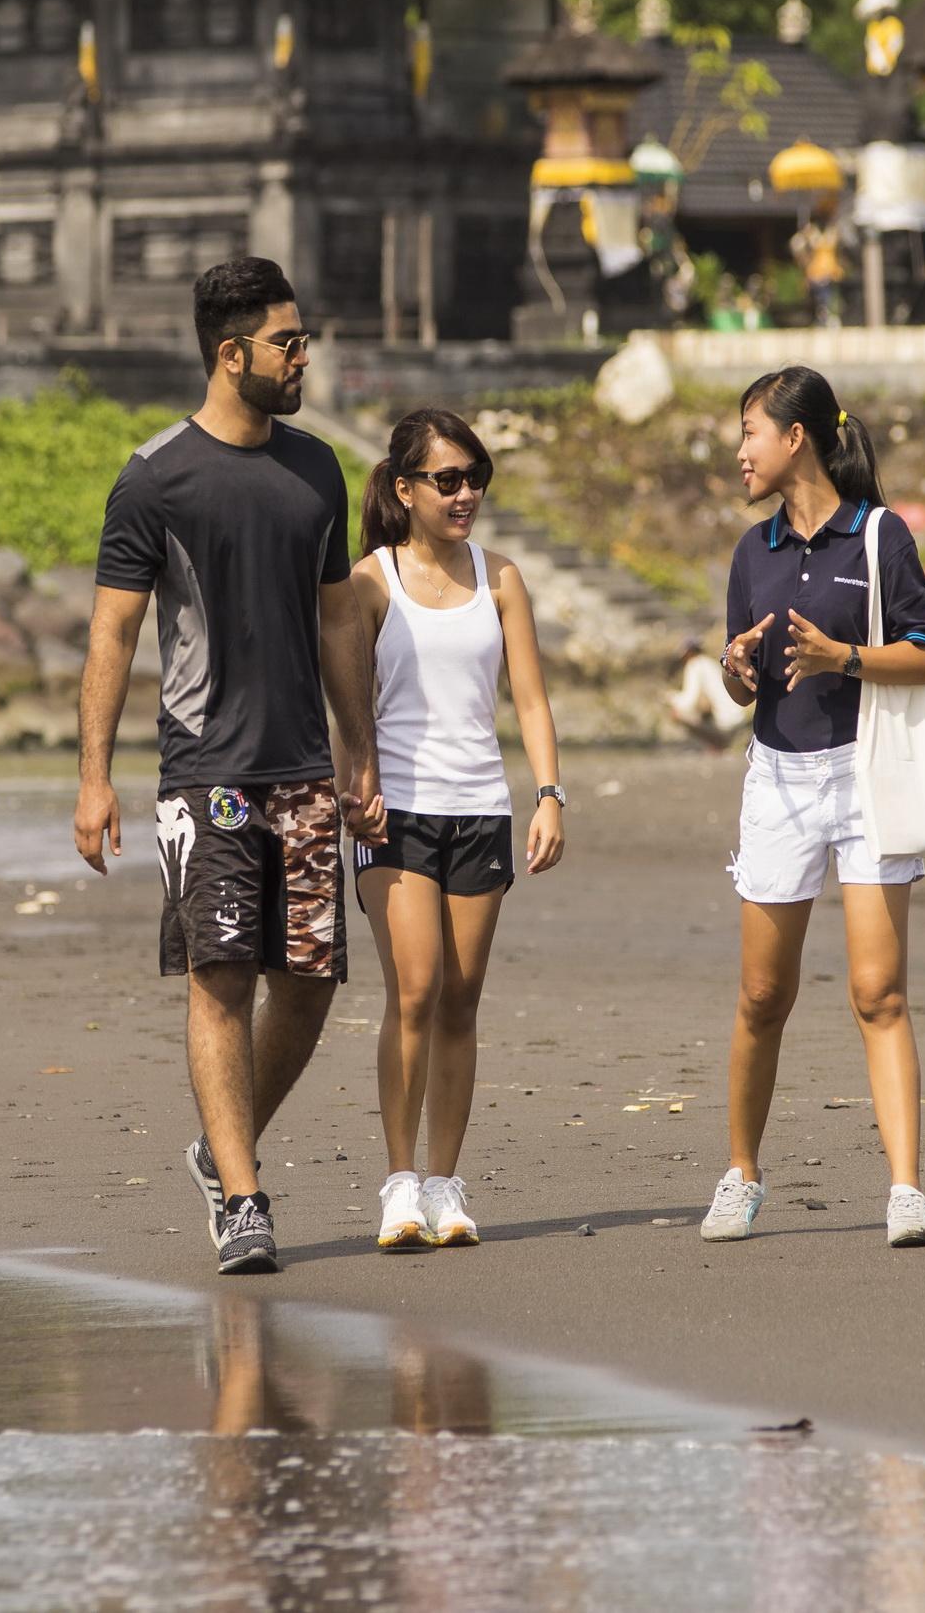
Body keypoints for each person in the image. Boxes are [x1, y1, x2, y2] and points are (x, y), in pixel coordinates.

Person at [74, 257, 384, 1276]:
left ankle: (221, 1147)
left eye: (303, 339)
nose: (302, 358)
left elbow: (339, 617)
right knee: (219, 979)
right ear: (230, 353)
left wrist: (359, 754)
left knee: (308, 983)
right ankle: (245, 1200)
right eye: (286, 343)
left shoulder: (314, 472)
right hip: (203, 773)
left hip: (302, 769)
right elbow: (113, 633)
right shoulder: (155, 476)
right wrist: (92, 777)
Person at [703, 363, 925, 1250]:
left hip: (865, 775)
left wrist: (845, 657)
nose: (739, 453)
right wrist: (735, 674)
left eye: (749, 434)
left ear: (795, 437)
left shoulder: (878, 538)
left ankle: (907, 1192)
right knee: (762, 996)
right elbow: (742, 685)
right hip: (776, 777)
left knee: (878, 992)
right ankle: (741, 1174)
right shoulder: (749, 553)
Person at [349, 409, 567, 1251]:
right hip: (393, 810)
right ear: (405, 491)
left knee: (461, 999)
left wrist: (549, 794)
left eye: (476, 477)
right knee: (415, 987)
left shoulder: (502, 577)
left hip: (480, 806)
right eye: (448, 480)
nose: (466, 493)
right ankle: (399, 1182)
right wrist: (351, 782)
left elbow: (532, 699)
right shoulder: (370, 580)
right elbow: (347, 703)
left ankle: (445, 1184)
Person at [665, 633, 752, 749]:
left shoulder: (695, 665)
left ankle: (718, 745)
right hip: (738, 717)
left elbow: (688, 701)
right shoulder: (709, 662)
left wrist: (670, 698)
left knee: (679, 714)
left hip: (726, 722)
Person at [793, 210, 848, 326]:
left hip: (831, 269)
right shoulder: (810, 232)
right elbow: (798, 247)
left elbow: (840, 251)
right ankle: (822, 317)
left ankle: (830, 316)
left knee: (831, 296)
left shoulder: (833, 231)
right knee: (819, 297)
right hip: (816, 271)